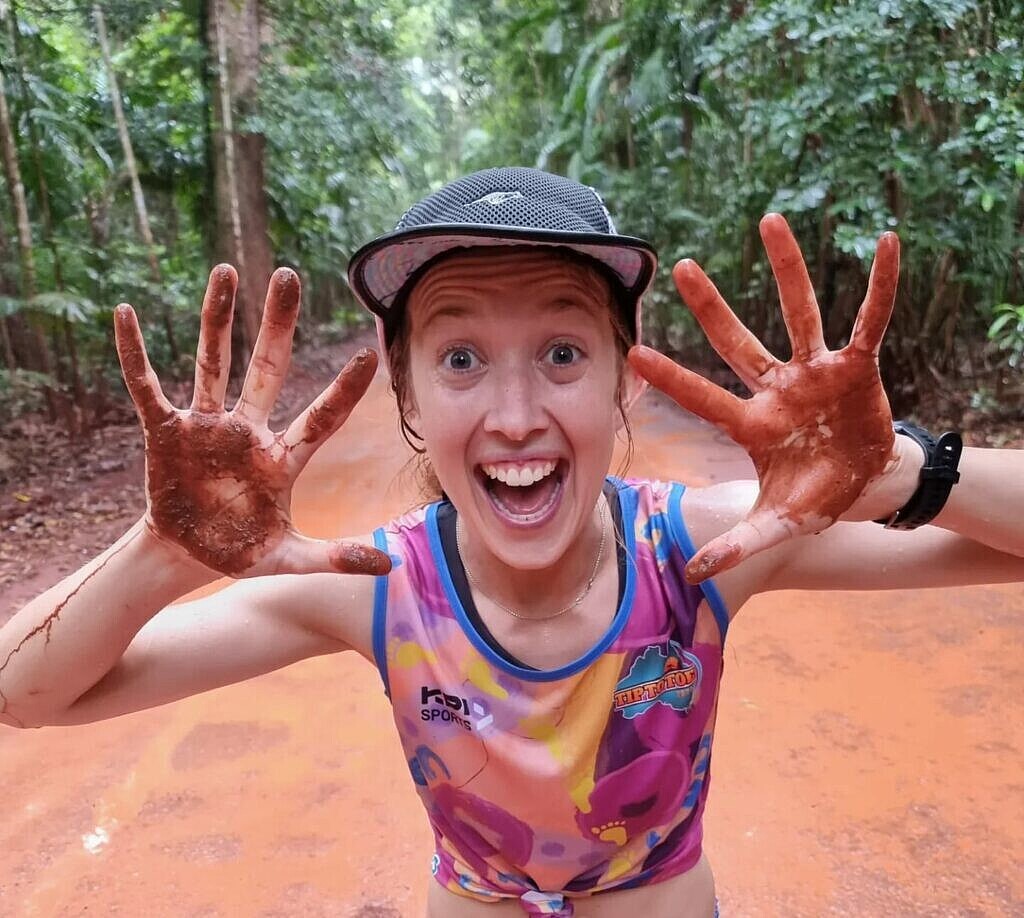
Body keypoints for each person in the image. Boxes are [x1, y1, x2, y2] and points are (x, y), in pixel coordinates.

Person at [1, 167, 1021, 918]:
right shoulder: (378, 585)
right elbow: (27, 694)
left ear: (625, 378)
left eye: (563, 351)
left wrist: (903, 473)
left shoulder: (702, 550)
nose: (517, 414)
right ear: (407, 395)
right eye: (460, 358)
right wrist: (165, 549)